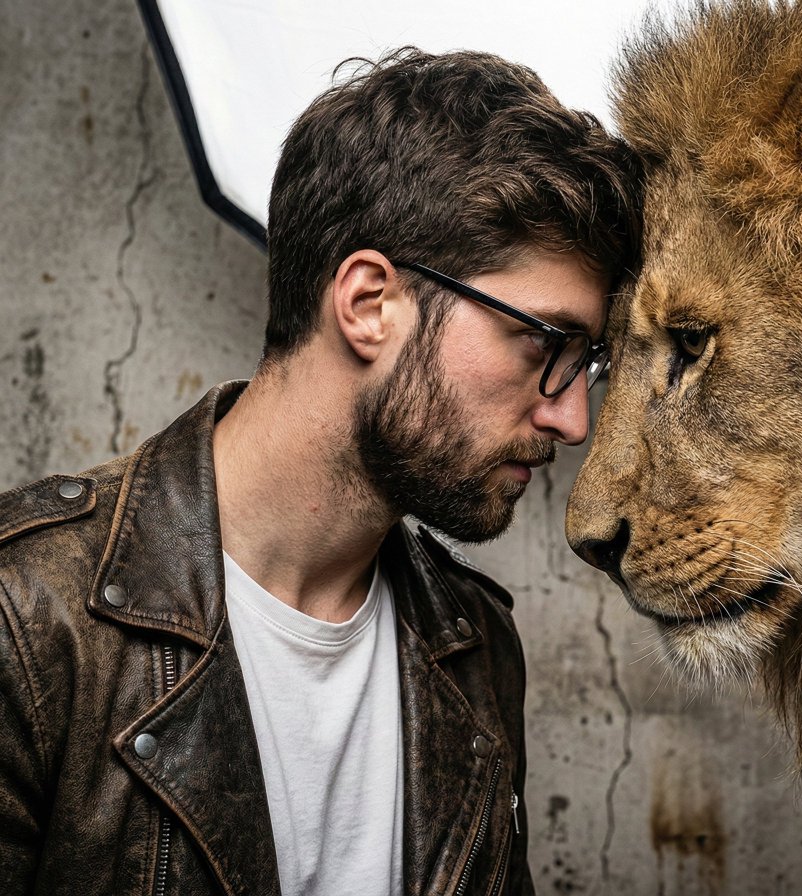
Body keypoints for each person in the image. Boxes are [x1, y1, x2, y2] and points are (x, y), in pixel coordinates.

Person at [0, 47, 640, 896]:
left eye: (584, 363)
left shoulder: (476, 648)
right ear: (370, 303)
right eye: (545, 345)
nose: (571, 419)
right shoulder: (28, 624)